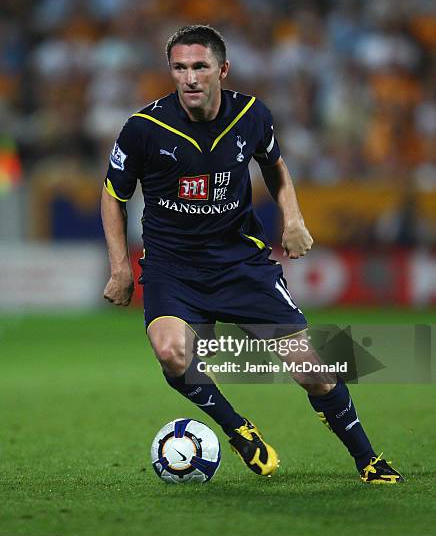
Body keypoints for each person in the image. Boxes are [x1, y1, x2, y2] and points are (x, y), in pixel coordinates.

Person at [101, 24, 403, 483]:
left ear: (222, 69)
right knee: (171, 352)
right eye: (179, 68)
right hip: (173, 268)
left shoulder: (252, 115)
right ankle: (237, 428)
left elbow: (275, 165)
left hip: (241, 263)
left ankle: (368, 459)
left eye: (200, 66)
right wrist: (121, 267)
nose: (190, 78)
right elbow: (112, 195)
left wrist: (294, 219)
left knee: (310, 369)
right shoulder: (144, 129)